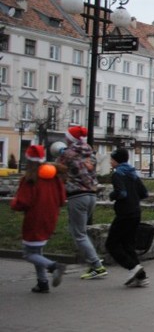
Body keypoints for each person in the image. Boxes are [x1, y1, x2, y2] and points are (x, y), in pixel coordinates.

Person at [10, 145, 67, 293]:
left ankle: (54, 266)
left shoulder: (30, 178)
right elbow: (62, 199)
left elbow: (23, 202)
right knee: (37, 251)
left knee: (29, 254)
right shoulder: (55, 177)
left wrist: (13, 204)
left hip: (35, 219)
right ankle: (42, 283)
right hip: (50, 217)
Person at [56, 126, 107, 280]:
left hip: (77, 196)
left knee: (78, 233)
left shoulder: (68, 154)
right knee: (80, 232)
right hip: (92, 195)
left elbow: (57, 167)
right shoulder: (90, 153)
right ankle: (94, 261)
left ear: (70, 139)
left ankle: (97, 265)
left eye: (67, 137)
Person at [106, 148, 150, 287]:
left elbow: (121, 193)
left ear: (117, 160)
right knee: (128, 245)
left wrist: (112, 195)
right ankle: (141, 277)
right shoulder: (132, 173)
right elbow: (144, 193)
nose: (110, 162)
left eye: (112, 159)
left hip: (124, 214)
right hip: (136, 212)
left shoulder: (117, 174)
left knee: (111, 244)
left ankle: (133, 267)